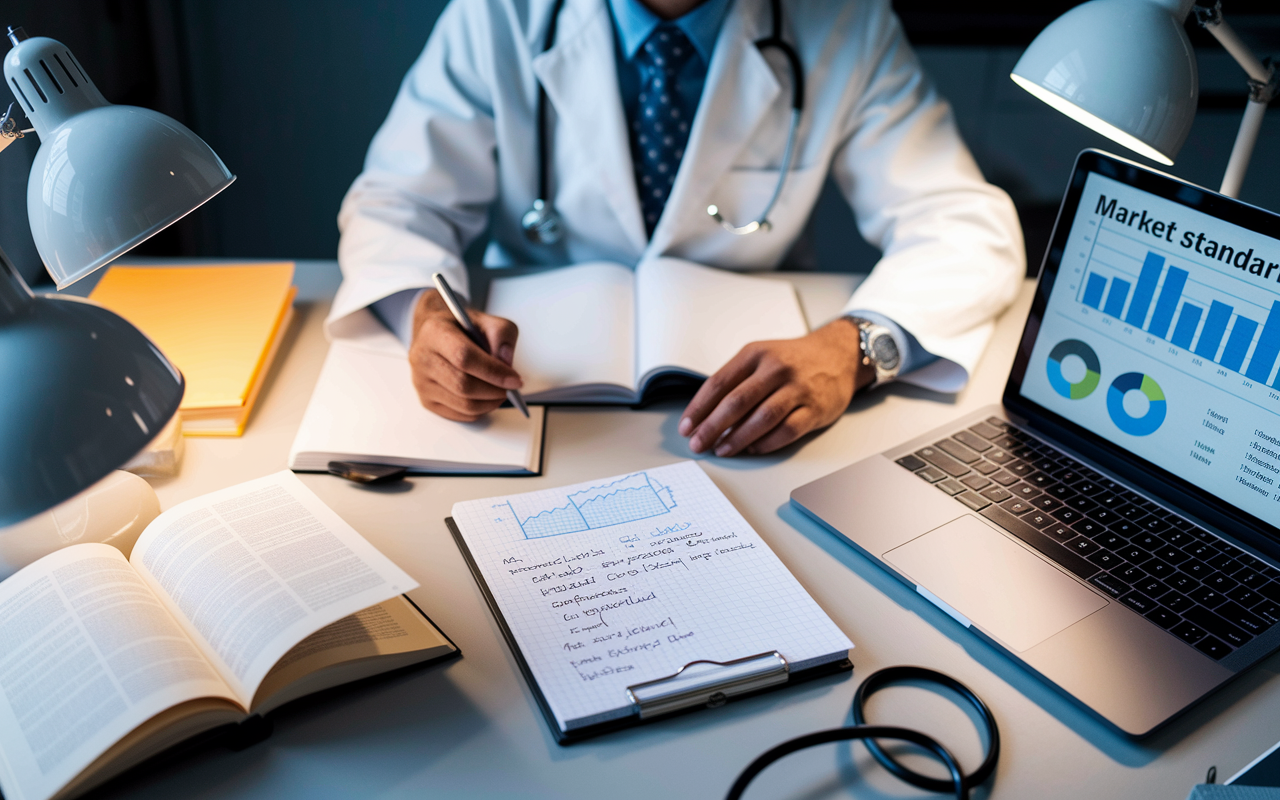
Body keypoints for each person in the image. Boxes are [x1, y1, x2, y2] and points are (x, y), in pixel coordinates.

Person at [329, 0, 1025, 456]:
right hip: (528, 406)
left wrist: (852, 349)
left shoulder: (844, 20)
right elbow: (396, 202)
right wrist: (425, 314)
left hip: (755, 418)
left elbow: (966, 223)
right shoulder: (499, 15)